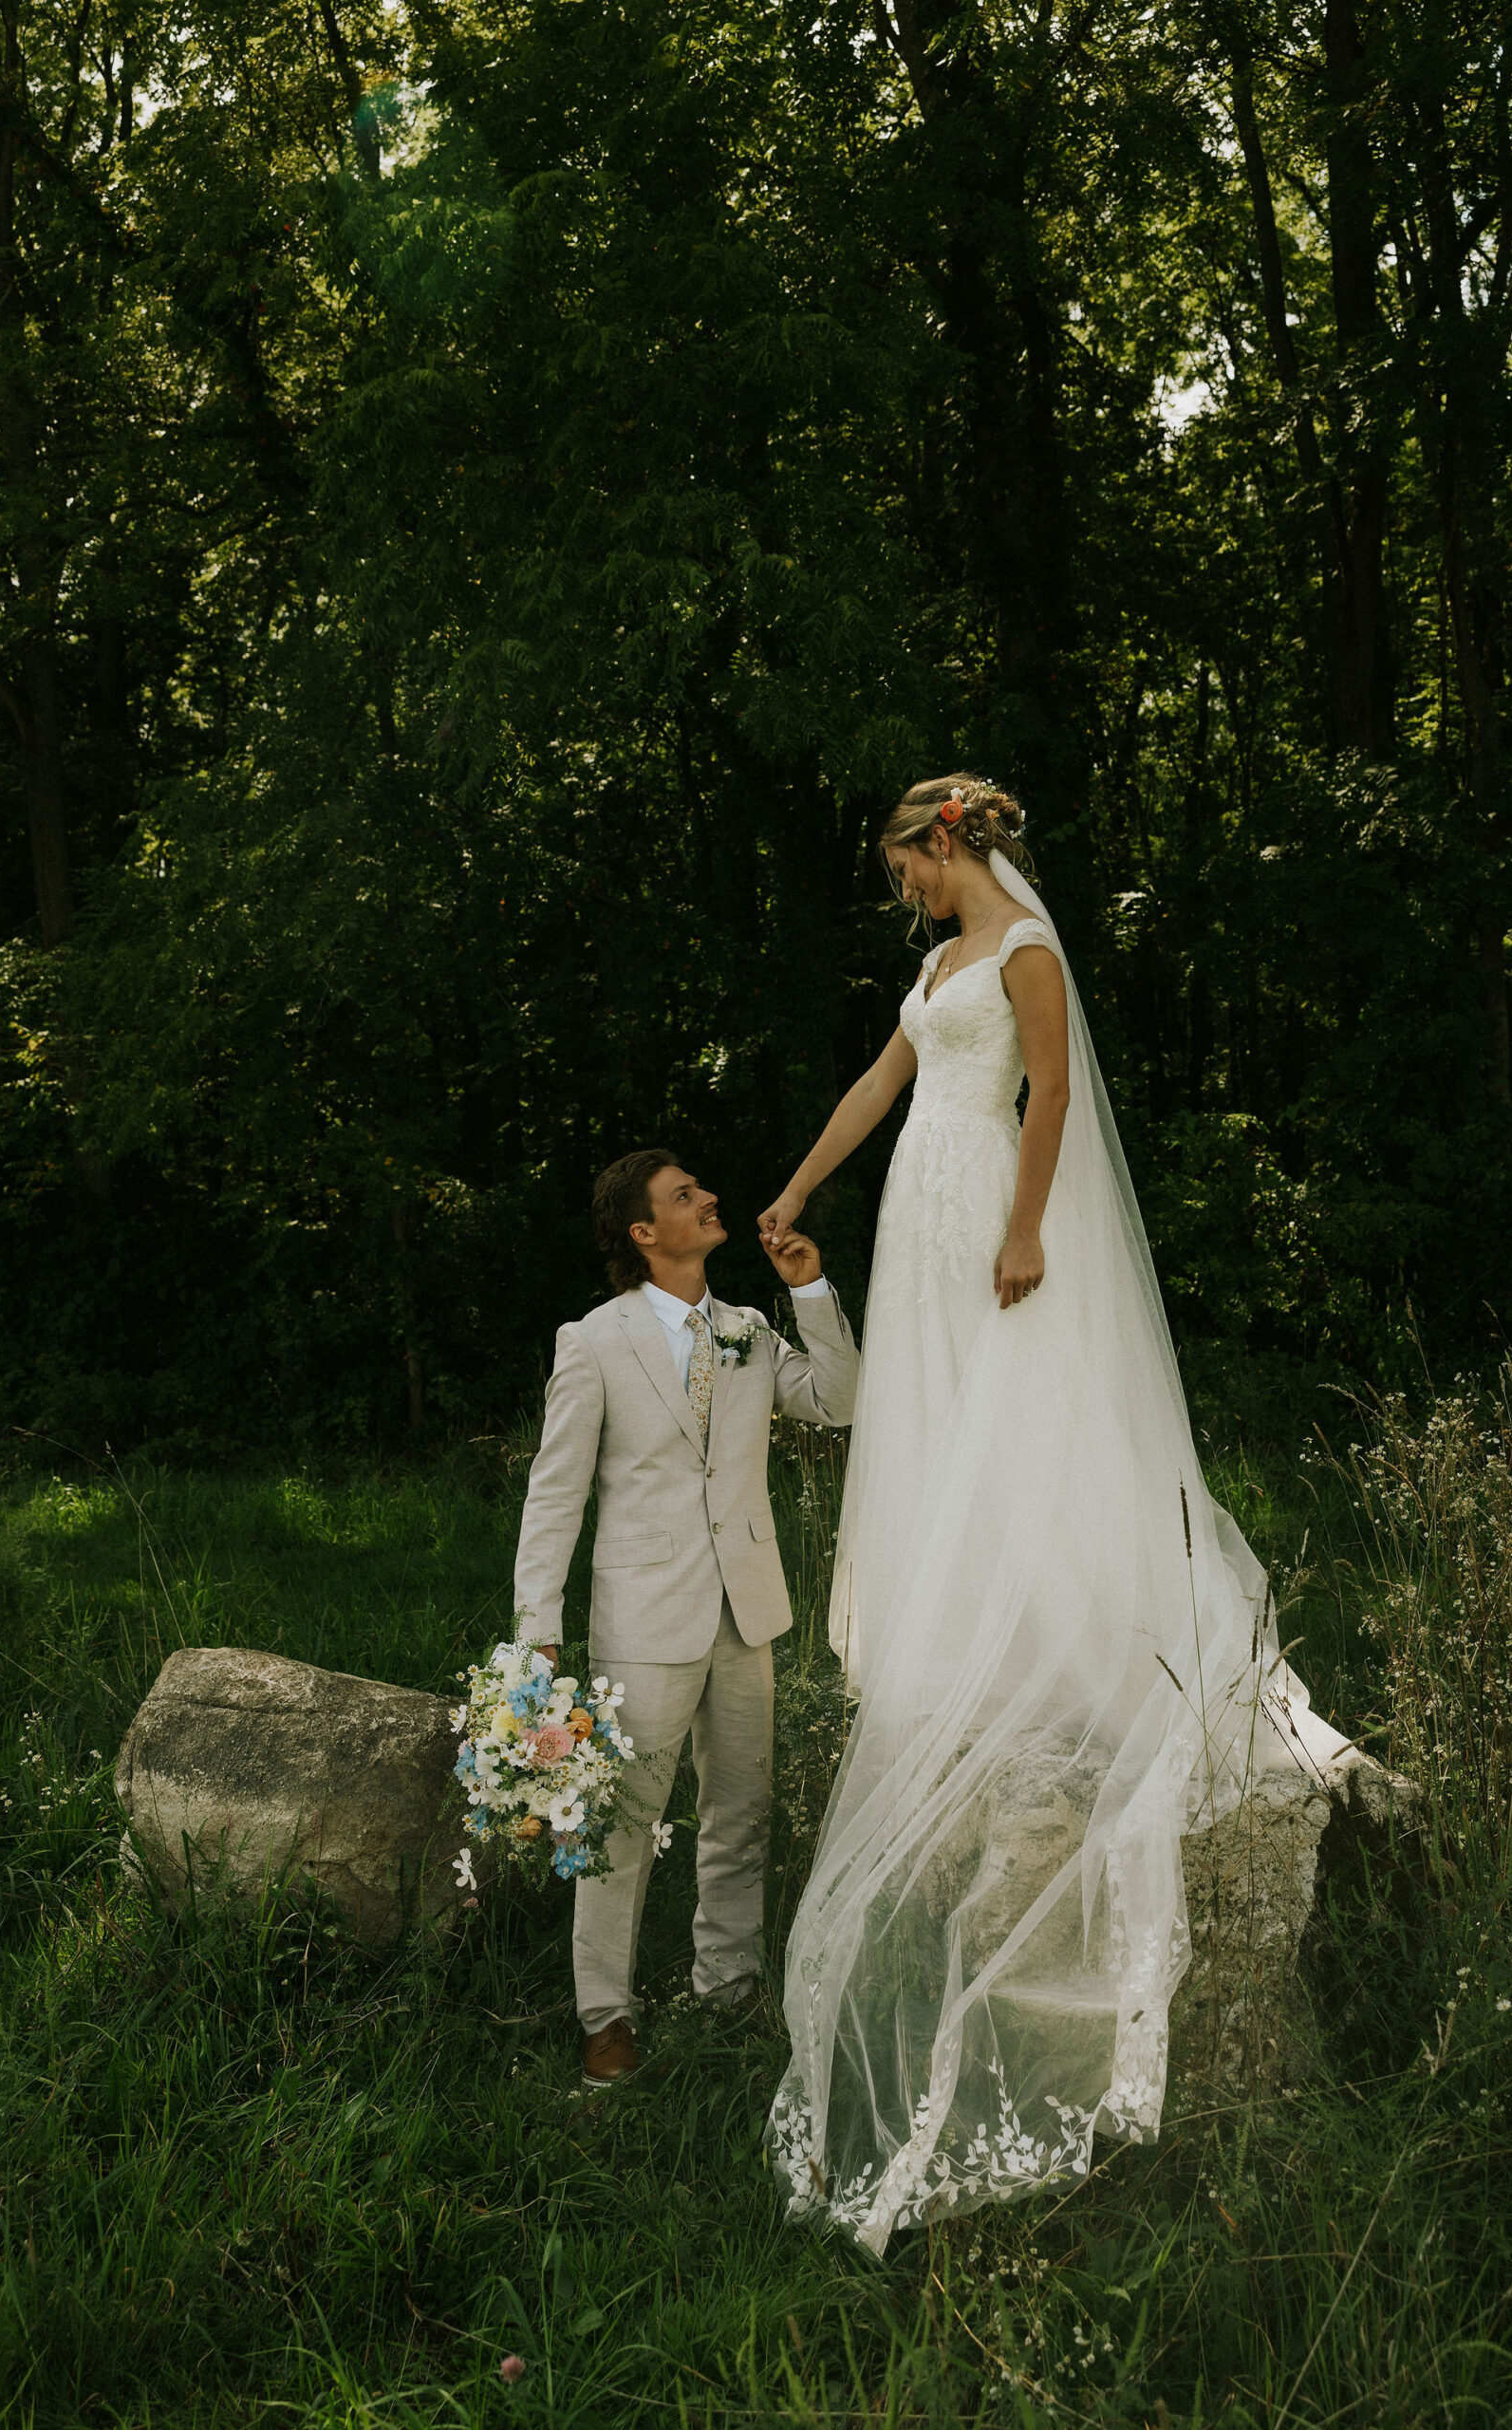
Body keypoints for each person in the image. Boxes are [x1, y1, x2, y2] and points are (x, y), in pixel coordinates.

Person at [757, 775, 1349, 2251]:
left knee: (1009, 1421)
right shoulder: (934, 964)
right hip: (920, 1192)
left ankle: (1056, 1633)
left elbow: (1057, 1091)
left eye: (902, 858)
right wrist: (793, 1188)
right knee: (938, 1420)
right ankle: (963, 1630)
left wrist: (1026, 1226)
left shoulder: (1021, 946)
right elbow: (879, 1087)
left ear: (943, 844)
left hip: (991, 1204)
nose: (896, 881)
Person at [513, 1151, 859, 2088]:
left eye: (703, 1188)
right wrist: (536, 1626)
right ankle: (604, 2015)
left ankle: (728, 1983)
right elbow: (556, 1495)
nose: (709, 1198)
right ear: (643, 1232)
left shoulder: (746, 1328)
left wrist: (811, 1288)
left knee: (740, 1810)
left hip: (746, 1611)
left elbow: (840, 1400)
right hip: (643, 1614)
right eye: (683, 1196)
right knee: (619, 1822)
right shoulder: (592, 1341)